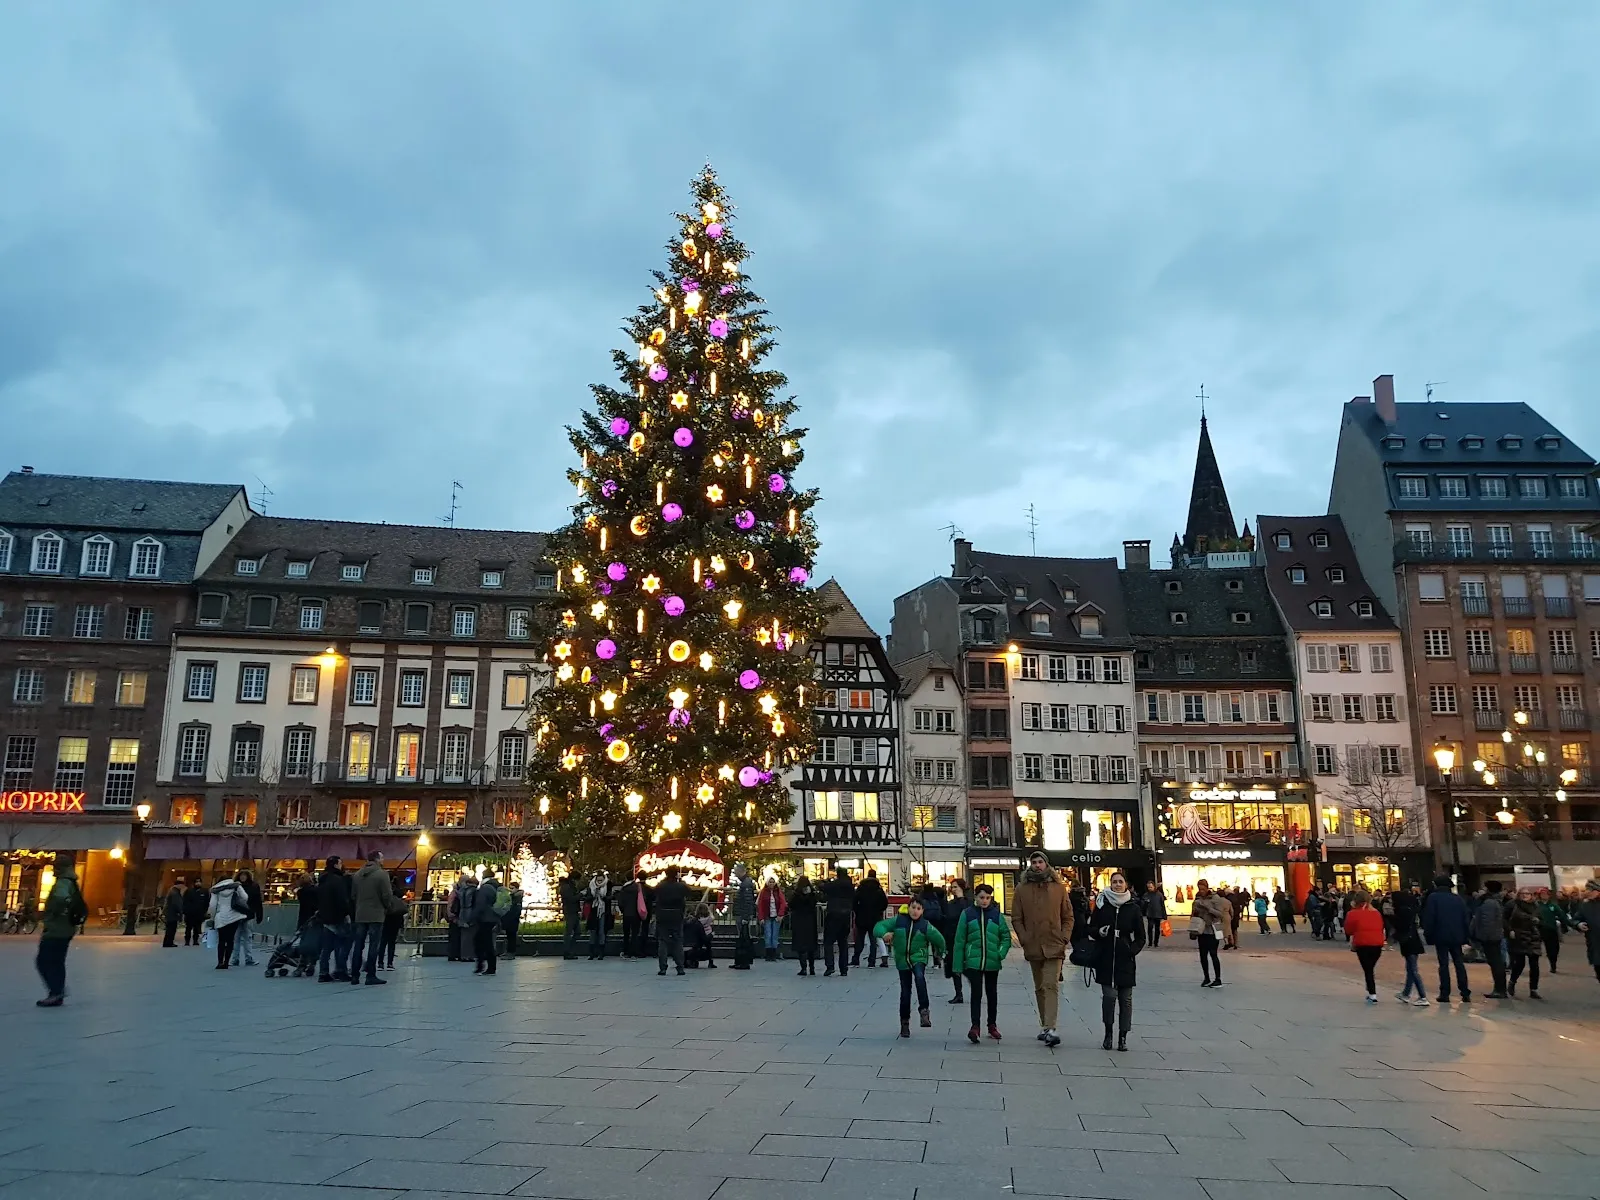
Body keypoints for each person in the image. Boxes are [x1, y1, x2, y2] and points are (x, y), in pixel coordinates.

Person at [1012, 851, 1073, 1047]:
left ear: (1047, 864)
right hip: (1034, 945)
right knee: (1039, 987)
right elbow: (1016, 918)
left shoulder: (1058, 888)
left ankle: (1051, 1027)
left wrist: (1064, 937)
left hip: (1054, 943)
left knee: (1051, 985)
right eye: (1034, 862)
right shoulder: (1022, 889)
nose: (1037, 865)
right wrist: (1024, 938)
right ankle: (1045, 1026)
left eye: (1040, 862)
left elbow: (1068, 916)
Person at [1088, 871, 1146, 1051]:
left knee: (1126, 999)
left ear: (1125, 884)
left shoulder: (1133, 907)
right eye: (1114, 882)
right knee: (1109, 997)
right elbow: (1090, 928)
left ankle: (1123, 1036)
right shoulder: (1102, 904)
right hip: (1106, 957)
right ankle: (1108, 1033)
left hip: (1125, 959)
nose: (1117, 884)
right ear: (1110, 884)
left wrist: (1132, 950)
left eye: (1120, 881)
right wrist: (1099, 932)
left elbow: (1141, 936)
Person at [874, 898, 947, 1038]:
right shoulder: (899, 921)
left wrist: (941, 953)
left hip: (918, 957)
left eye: (919, 908)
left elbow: (939, 939)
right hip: (902, 960)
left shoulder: (925, 925)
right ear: (908, 908)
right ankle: (904, 1023)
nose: (915, 911)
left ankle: (924, 1010)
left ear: (922, 911)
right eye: (913, 907)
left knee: (920, 977)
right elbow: (878, 927)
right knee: (905, 992)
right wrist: (884, 934)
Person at [952, 881, 1010, 1042]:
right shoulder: (968, 914)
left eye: (987, 898)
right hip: (973, 961)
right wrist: (957, 964)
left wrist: (1000, 953)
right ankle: (975, 1026)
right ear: (975, 897)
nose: (984, 900)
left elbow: (1005, 937)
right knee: (976, 993)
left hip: (992, 961)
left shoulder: (997, 915)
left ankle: (992, 1025)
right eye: (981, 897)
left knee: (992, 994)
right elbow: (960, 940)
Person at [35, 852, 87, 1007]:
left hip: (57, 928)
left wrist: (51, 913)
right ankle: (57, 992)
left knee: (45, 960)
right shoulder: (72, 881)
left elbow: (60, 899)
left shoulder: (63, 882)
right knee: (56, 961)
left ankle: (56, 991)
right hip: (66, 928)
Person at [1421, 875, 1472, 1003]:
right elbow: (1466, 918)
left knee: (1443, 964)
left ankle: (1445, 993)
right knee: (1459, 963)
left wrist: (1429, 934)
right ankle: (1465, 991)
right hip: (1457, 936)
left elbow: (1430, 918)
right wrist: (1466, 936)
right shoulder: (1457, 899)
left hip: (1440, 935)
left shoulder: (1433, 898)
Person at [350, 850, 396, 985]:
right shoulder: (382, 874)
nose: (383, 861)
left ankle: (354, 975)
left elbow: (353, 895)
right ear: (377, 859)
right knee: (373, 945)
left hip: (360, 913)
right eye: (382, 858)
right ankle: (371, 975)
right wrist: (388, 907)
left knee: (358, 945)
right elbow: (387, 895)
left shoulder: (357, 875)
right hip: (376, 914)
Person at [316, 856, 355, 982]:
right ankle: (341, 970)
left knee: (326, 947)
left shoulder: (323, 879)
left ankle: (323, 972)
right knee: (341, 945)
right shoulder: (338, 880)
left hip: (325, 916)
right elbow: (342, 900)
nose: (341, 865)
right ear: (336, 865)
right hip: (338, 917)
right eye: (340, 863)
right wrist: (347, 912)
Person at [1344, 891, 1386, 1002]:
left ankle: (1372, 993)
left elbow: (1348, 930)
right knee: (1370, 967)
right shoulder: (1376, 913)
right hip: (1377, 943)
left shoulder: (1352, 913)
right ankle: (1370, 989)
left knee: (1367, 969)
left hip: (1362, 943)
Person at [1470, 881, 1509, 998]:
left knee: (1496, 963)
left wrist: (1484, 937)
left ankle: (1500, 989)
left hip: (1490, 938)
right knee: (1496, 962)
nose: (1481, 889)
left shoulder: (1489, 903)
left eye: (1483, 887)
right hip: (1494, 936)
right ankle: (1500, 989)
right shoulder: (1494, 901)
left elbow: (1487, 922)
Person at [1391, 886, 1429, 1006]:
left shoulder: (1402, 911)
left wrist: (1394, 936)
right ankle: (1406, 993)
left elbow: (1401, 927)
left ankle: (1422, 996)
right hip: (1413, 940)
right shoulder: (1409, 909)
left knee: (1413, 970)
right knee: (1410, 969)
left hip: (1408, 941)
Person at [207, 871, 252, 971]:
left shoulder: (216, 890)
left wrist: (212, 918)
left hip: (221, 916)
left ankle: (220, 962)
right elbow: (245, 897)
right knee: (230, 939)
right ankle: (227, 962)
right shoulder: (236, 886)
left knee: (221, 940)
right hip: (234, 916)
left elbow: (212, 905)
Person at [1191, 878, 1230, 988]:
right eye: (1199, 889)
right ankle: (1206, 978)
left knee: (1213, 954)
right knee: (1202, 955)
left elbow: (1220, 914)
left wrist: (1208, 908)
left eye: (1203, 889)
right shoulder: (1198, 898)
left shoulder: (1215, 898)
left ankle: (1218, 979)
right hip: (1201, 929)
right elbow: (1194, 913)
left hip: (1212, 930)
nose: (1201, 891)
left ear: (1207, 887)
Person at [1506, 888, 1544, 999]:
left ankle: (1533, 989)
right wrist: (1510, 930)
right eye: (1522, 893)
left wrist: (1538, 922)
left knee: (1534, 965)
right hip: (1519, 936)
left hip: (1533, 937)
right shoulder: (1513, 905)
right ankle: (1512, 982)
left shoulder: (1536, 906)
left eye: (1527, 893)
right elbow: (1505, 919)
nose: (1525, 895)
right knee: (1519, 963)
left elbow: (1542, 920)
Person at [654, 864, 689, 975]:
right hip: (677, 915)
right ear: (677, 874)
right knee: (678, 941)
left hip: (662, 915)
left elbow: (654, 896)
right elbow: (689, 892)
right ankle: (680, 967)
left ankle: (663, 967)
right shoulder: (681, 886)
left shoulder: (660, 886)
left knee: (663, 941)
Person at [820, 866, 855, 976]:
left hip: (833, 915)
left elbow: (823, 887)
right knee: (843, 943)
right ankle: (843, 969)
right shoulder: (850, 886)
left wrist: (823, 882)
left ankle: (830, 966)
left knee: (828, 942)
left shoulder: (834, 884)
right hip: (846, 916)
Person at [940, 879, 971, 1003]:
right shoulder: (950, 903)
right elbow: (946, 918)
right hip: (951, 937)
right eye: (952, 887)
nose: (953, 889)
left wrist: (961, 898)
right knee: (954, 965)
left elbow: (966, 915)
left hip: (965, 938)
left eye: (956, 887)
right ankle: (958, 993)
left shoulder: (968, 902)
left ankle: (974, 985)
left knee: (966, 965)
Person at [851, 869, 888, 966]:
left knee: (860, 939)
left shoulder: (861, 888)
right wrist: (879, 911)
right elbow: (884, 903)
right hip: (875, 918)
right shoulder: (879, 890)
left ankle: (856, 958)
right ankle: (872, 961)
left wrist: (858, 911)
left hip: (862, 917)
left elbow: (854, 902)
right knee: (873, 940)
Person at [229, 868, 262, 966]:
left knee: (247, 937)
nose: (243, 877)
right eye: (241, 875)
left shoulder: (254, 886)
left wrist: (259, 914)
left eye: (245, 875)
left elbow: (258, 901)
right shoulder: (235, 886)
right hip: (237, 914)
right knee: (236, 938)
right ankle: (235, 959)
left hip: (248, 914)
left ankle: (248, 958)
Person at [471, 868, 501, 975]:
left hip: (485, 919)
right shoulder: (495, 886)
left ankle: (486, 966)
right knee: (485, 942)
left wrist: (473, 916)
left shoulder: (485, 888)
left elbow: (480, 904)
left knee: (482, 942)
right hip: (491, 918)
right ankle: (484, 966)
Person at [789, 875, 819, 976]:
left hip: (799, 920)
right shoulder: (812, 894)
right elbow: (814, 903)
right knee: (811, 946)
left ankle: (803, 968)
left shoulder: (796, 894)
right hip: (810, 921)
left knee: (801, 946)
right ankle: (812, 968)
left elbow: (791, 904)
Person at [1536, 890, 1569, 972]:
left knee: (1554, 948)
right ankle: (1540, 966)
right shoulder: (1536, 905)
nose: (1544, 895)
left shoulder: (1553, 905)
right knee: (1541, 948)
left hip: (1551, 929)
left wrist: (1568, 924)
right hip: (1540, 929)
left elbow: (1562, 915)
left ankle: (1553, 962)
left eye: (1545, 894)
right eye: (1542, 894)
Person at [757, 874, 787, 962]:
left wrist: (780, 915)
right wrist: (761, 917)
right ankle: (768, 954)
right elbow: (760, 905)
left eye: (773, 882)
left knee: (774, 935)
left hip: (776, 917)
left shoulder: (778, 892)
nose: (771, 884)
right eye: (770, 882)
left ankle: (773, 954)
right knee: (768, 934)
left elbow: (783, 903)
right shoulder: (763, 892)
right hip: (767, 916)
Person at [380, 875, 407, 970]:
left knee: (383, 941)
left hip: (385, 916)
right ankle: (390, 963)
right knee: (391, 941)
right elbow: (401, 894)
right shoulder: (397, 889)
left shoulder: (384, 888)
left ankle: (380, 963)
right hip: (395, 917)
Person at [1576, 879, 1600, 983]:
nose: (1586, 892)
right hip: (1594, 944)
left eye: (1588, 889)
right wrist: (1578, 924)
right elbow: (1576, 918)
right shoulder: (1585, 905)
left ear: (1596, 891)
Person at [619, 871, 645, 960]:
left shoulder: (624, 889)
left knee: (626, 933)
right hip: (636, 913)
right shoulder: (638, 887)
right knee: (635, 933)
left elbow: (620, 902)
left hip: (626, 914)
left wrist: (623, 910)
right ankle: (634, 951)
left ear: (626, 878)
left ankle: (626, 951)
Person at [587, 870, 611, 959]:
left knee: (601, 931)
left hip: (603, 911)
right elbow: (588, 897)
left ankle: (601, 953)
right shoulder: (592, 885)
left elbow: (610, 897)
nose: (599, 882)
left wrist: (603, 897)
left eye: (601, 881)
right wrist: (593, 897)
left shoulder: (608, 885)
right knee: (593, 931)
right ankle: (592, 953)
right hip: (593, 910)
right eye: (598, 880)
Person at [559, 869, 582, 959]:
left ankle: (570, 950)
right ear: (574, 879)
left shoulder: (570, 886)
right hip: (570, 911)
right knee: (569, 932)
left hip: (573, 911)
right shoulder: (567, 887)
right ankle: (567, 951)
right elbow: (571, 899)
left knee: (577, 932)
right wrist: (580, 895)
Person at [685, 901, 716, 967]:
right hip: (707, 932)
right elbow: (712, 918)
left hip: (697, 935)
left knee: (698, 946)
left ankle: (694, 960)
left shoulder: (696, 919)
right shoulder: (709, 918)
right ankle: (710, 962)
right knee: (708, 946)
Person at [500, 879, 525, 958]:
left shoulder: (517, 897)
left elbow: (516, 910)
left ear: (517, 888)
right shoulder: (511, 896)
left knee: (512, 937)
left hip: (513, 920)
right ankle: (508, 951)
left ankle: (511, 953)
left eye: (512, 888)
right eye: (510, 888)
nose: (511, 890)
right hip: (509, 919)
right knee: (509, 936)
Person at [182, 878, 209, 946]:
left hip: (199, 913)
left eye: (199, 882)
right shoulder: (189, 891)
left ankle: (195, 940)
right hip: (190, 914)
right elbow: (185, 902)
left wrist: (204, 911)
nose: (198, 883)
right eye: (196, 882)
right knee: (188, 928)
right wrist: (185, 911)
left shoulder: (204, 891)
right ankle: (187, 941)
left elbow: (207, 902)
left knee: (197, 928)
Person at [1141, 882, 1166, 948]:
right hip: (1150, 914)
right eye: (1148, 887)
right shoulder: (1146, 895)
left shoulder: (1159, 894)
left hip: (1158, 914)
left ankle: (1156, 943)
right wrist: (1145, 903)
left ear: (1154, 887)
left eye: (1151, 887)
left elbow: (1162, 905)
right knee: (1150, 928)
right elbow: (1142, 904)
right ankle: (1150, 942)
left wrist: (1164, 915)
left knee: (1157, 929)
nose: (1149, 888)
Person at [162, 879, 185, 948]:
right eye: (182, 885)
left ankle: (167, 942)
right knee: (171, 929)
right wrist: (180, 912)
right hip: (172, 913)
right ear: (179, 885)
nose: (182, 887)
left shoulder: (172, 891)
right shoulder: (175, 892)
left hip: (170, 913)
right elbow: (177, 904)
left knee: (169, 929)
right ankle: (169, 942)